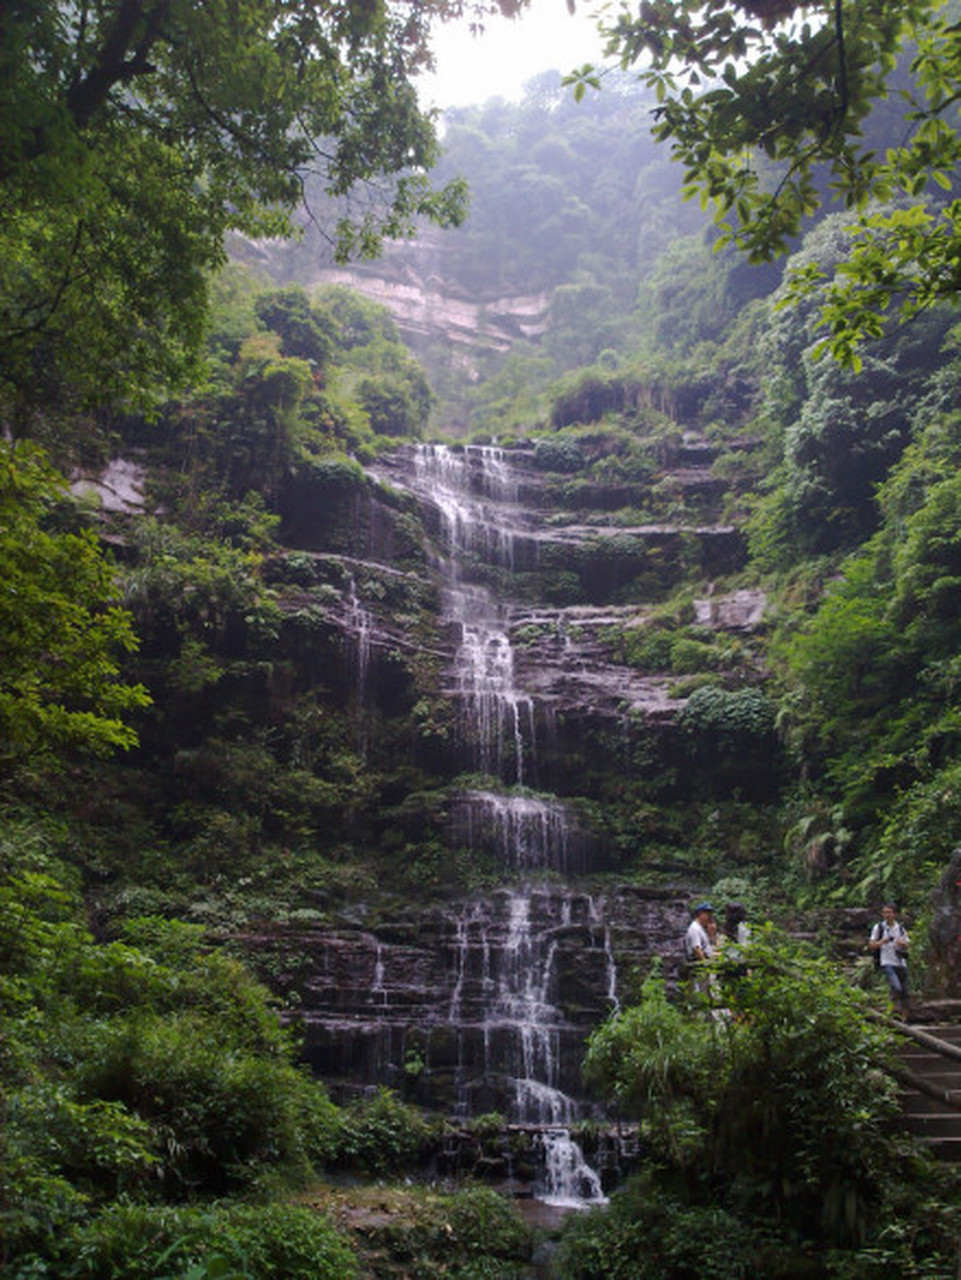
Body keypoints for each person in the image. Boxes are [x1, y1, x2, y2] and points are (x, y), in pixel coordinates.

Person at [869, 902, 910, 1019]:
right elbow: (871, 945)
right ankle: (891, 1008)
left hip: (901, 962)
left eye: (889, 912)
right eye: (885, 912)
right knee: (896, 987)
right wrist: (882, 942)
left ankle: (904, 1016)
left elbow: (908, 944)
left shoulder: (900, 928)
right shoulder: (879, 928)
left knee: (905, 991)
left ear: (894, 914)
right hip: (886, 961)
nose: (887, 915)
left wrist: (902, 943)